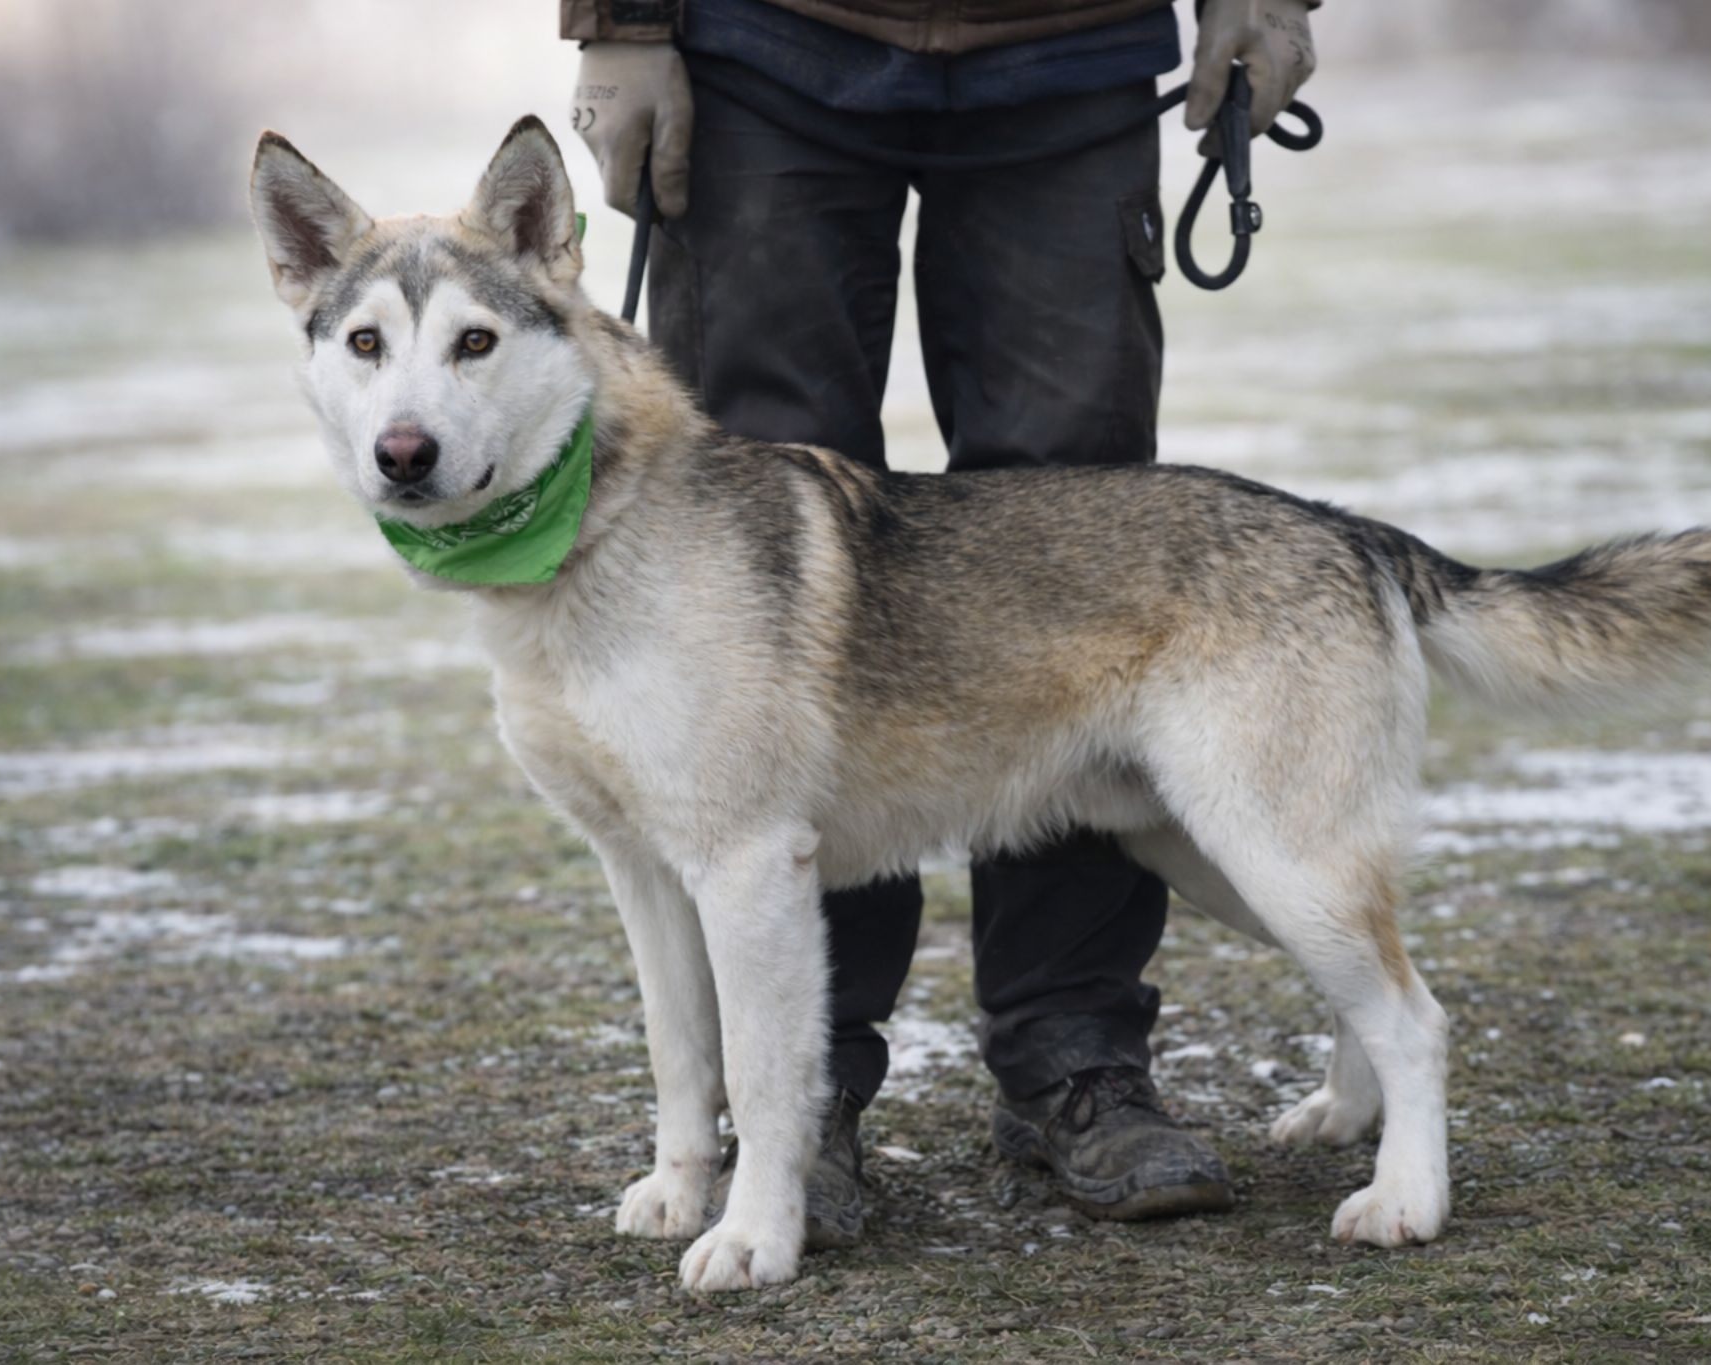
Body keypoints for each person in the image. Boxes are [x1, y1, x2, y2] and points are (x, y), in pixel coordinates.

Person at [563, 0, 1318, 1246]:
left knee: (1079, 568)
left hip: (1071, 44)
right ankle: (807, 1104)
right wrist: (622, 24)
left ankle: (1072, 1057)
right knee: (752, 561)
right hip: (761, 46)